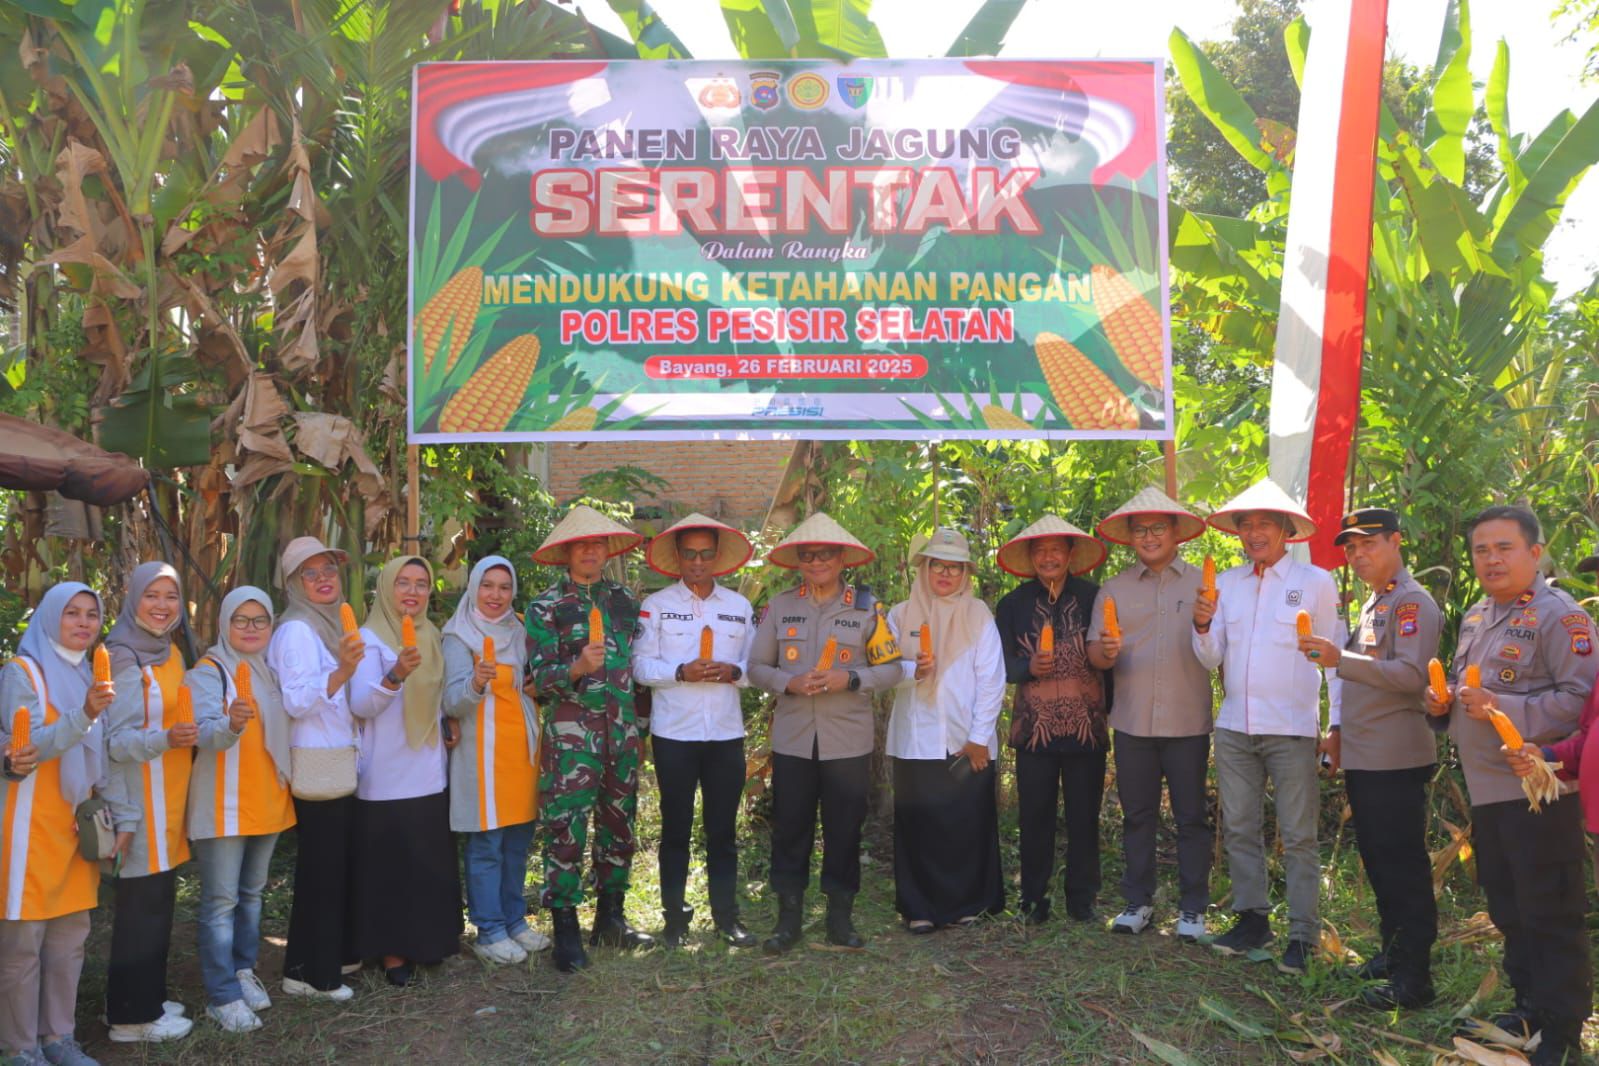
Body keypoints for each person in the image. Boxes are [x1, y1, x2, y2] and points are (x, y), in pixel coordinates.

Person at [1426, 506, 1594, 1065]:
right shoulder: (1477, 615)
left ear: (1535, 553)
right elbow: (1466, 691)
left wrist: (1503, 706)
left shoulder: (1560, 618)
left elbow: (1578, 704)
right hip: (1488, 788)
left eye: (1504, 547)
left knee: (1550, 909)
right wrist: (1442, 704)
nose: (1491, 559)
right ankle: (1529, 1005)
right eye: (1481, 550)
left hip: (1540, 790)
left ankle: (1564, 1029)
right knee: (1510, 905)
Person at [1192, 479, 1342, 975]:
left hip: (1293, 728)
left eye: (1264, 524)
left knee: (1298, 834)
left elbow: (1335, 660)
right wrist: (1201, 624)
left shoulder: (1316, 583)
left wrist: (1335, 725)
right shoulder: (1227, 585)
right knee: (1238, 825)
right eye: (1246, 524)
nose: (1254, 533)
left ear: (1285, 530)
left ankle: (1303, 934)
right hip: (1235, 725)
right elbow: (1211, 656)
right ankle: (1252, 918)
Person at [1297, 508, 1441, 1009]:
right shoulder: (1375, 603)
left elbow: (1412, 676)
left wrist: (1342, 660)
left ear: (1397, 541)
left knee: (1402, 867)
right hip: (1367, 755)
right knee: (1380, 863)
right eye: (1351, 549)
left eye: (1368, 544)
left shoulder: (1411, 604)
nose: (1358, 556)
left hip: (1396, 758)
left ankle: (1414, 980)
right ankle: (1393, 954)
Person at [747, 512, 903, 954]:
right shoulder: (780, 606)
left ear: (840, 560)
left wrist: (850, 679)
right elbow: (756, 667)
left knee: (843, 829)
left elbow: (891, 669)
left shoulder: (867, 608)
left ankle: (839, 918)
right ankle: (788, 920)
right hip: (794, 737)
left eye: (825, 555)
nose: (817, 562)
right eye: (809, 555)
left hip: (846, 740)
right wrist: (787, 682)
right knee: (790, 828)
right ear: (799, 562)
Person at [0, 583, 128, 1066]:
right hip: (28, 824)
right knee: (22, 948)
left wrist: (117, 816)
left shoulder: (90, 677)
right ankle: (19, 1048)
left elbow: (104, 758)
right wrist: (86, 714)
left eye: (92, 615)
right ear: (51, 617)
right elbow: (30, 750)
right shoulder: (22, 672)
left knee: (69, 941)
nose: (82, 623)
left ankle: (59, 1039)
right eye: (71, 613)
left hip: (77, 826)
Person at [526, 505, 652, 973]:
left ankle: (610, 919)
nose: (591, 551)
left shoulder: (623, 600)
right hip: (572, 739)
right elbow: (539, 678)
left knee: (620, 824)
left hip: (621, 734)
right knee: (566, 831)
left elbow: (636, 670)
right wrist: (577, 668)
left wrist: (640, 726)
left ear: (606, 551)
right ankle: (565, 929)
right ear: (566, 552)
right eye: (582, 544)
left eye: (598, 544)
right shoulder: (545, 607)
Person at [1088, 488, 1212, 942]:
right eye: (1141, 530)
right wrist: (1105, 652)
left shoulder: (1204, 585)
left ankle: (1193, 908)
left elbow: (1219, 649)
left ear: (1176, 533)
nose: (1150, 537)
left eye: (1159, 528)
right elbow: (1096, 655)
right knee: (1138, 815)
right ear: (1130, 538)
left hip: (1187, 721)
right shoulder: (1115, 588)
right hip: (1134, 722)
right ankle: (1138, 902)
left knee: (1191, 818)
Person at [631, 514, 759, 948]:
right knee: (676, 829)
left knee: (722, 832)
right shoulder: (656, 604)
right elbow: (641, 666)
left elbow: (756, 668)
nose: (699, 562)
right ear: (679, 558)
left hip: (725, 734)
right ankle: (674, 919)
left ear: (718, 558)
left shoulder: (738, 607)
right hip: (675, 735)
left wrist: (734, 670)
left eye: (707, 554)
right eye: (691, 554)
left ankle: (726, 917)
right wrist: (680, 671)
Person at [348, 557, 463, 987]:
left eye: (421, 584)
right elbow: (361, 705)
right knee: (392, 866)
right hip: (384, 774)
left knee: (426, 863)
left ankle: (429, 944)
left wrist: (447, 719)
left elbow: (435, 697)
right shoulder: (368, 640)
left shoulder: (431, 635)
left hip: (429, 770)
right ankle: (394, 953)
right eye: (403, 584)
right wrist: (395, 674)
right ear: (385, 588)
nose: (412, 592)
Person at [185, 588, 296, 1032]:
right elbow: (204, 733)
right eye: (241, 620)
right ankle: (221, 994)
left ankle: (242, 969)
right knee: (220, 901)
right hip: (225, 803)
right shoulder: (208, 671)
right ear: (224, 624)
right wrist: (231, 724)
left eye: (260, 621)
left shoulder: (269, 672)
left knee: (251, 895)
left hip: (267, 797)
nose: (251, 629)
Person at [884, 527, 1006, 932]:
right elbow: (884, 672)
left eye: (955, 568)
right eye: (938, 566)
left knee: (966, 822)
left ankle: (968, 903)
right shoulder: (901, 615)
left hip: (966, 739)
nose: (946, 575)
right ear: (925, 568)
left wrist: (978, 737)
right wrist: (910, 670)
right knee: (919, 824)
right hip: (915, 738)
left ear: (965, 574)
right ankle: (919, 908)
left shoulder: (978, 614)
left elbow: (992, 679)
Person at [993, 514, 1109, 924]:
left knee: (1083, 816)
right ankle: (1032, 899)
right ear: (1029, 557)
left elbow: (1110, 661)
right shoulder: (1011, 605)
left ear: (1071, 554)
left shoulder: (1096, 599)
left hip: (1086, 724)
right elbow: (1000, 664)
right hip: (1034, 730)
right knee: (1034, 816)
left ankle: (1082, 900)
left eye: (1056, 549)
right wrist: (1028, 667)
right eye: (1039, 551)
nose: (1048, 557)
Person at [267, 536, 365, 1003]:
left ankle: (334, 956)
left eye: (329, 569)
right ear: (292, 583)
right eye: (311, 573)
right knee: (321, 871)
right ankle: (308, 974)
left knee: (334, 866)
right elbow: (297, 700)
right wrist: (342, 672)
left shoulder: (329, 626)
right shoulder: (297, 631)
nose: (324, 579)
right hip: (314, 760)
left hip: (338, 757)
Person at [103, 562, 196, 1044]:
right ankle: (130, 1017)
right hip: (139, 801)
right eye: (152, 596)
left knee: (158, 901)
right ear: (133, 598)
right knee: (142, 906)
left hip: (170, 797)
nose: (162, 606)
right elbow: (115, 742)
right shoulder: (122, 657)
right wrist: (165, 738)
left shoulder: (168, 651)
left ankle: (145, 996)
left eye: (171, 597)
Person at [442, 556, 549, 967]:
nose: (495, 595)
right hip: (480, 755)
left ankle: (514, 920)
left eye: (504, 587)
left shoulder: (520, 630)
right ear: (473, 587)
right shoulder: (458, 637)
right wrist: (476, 682)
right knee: (487, 843)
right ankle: (489, 930)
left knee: (518, 842)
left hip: (520, 752)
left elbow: (531, 682)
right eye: (487, 585)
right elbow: (451, 701)